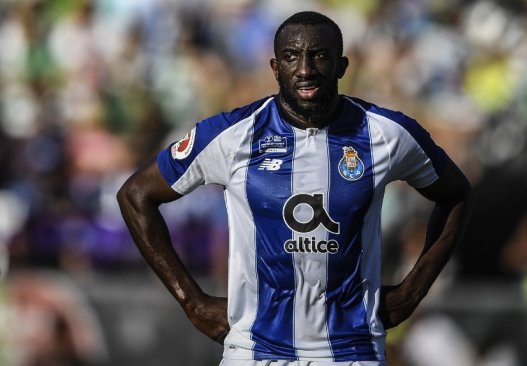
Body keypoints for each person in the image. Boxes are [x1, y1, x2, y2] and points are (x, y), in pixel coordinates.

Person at [117, 11, 473, 366]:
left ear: (342, 66)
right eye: (291, 57)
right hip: (255, 352)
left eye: (319, 55)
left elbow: (457, 194)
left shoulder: (386, 133)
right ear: (275, 67)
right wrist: (191, 301)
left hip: (353, 350)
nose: (305, 70)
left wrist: (413, 291)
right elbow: (136, 195)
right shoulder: (232, 135)